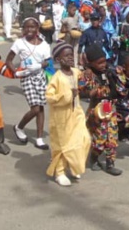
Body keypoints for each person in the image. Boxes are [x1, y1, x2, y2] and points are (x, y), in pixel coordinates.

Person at [45, 41, 90, 186]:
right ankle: (60, 172)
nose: (71, 58)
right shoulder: (56, 78)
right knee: (63, 145)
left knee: (84, 139)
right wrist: (67, 95)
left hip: (76, 113)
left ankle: (73, 165)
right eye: (67, 56)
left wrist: (88, 76)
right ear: (58, 59)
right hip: (61, 118)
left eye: (72, 55)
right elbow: (50, 97)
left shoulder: (76, 72)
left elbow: (84, 84)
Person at [7, 18, 52, 150]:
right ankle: (19, 127)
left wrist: (45, 68)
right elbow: (9, 60)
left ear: (37, 28)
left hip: (40, 77)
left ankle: (39, 139)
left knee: (41, 107)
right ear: (23, 29)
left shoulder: (44, 45)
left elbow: (48, 63)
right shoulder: (19, 43)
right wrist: (15, 72)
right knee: (36, 108)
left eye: (32, 27)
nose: (29, 30)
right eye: (26, 27)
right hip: (26, 77)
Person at [79, 44, 123, 176]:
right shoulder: (86, 75)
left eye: (104, 61)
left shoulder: (109, 71)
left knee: (112, 138)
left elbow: (120, 88)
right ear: (91, 63)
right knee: (99, 140)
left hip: (110, 110)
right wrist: (99, 90)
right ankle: (93, 158)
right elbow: (83, 92)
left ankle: (110, 163)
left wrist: (118, 75)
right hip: (96, 112)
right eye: (100, 63)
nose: (103, 65)